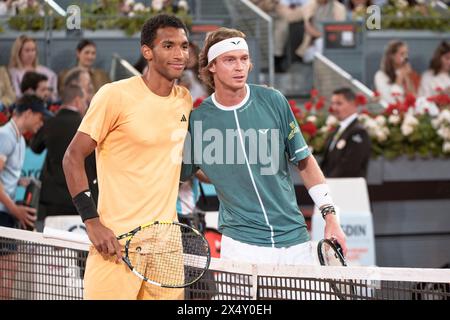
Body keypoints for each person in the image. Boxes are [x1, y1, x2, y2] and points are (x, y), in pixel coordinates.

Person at [181, 27, 347, 268]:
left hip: (294, 240)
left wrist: (330, 217)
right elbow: (189, 171)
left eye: (244, 59)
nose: (239, 67)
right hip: (240, 244)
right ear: (212, 66)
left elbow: (305, 161)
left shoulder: (273, 101)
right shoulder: (197, 121)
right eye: (230, 60)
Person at [62, 14, 192, 300]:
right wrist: (91, 220)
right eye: (168, 45)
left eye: (184, 46)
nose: (179, 54)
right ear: (147, 52)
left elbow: (181, 159)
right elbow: (72, 156)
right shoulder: (114, 95)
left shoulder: (184, 99)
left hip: (167, 249)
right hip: (116, 244)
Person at [0, 94, 51, 298]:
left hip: (6, 214)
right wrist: (16, 210)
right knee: (7, 270)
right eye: (40, 116)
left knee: (9, 269)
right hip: (3, 214)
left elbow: (5, 175)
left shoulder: (19, 138)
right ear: (29, 113)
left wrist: (22, 182)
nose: (42, 122)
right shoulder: (6, 135)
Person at [29, 84, 97, 232]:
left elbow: (35, 147)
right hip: (82, 199)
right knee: (80, 250)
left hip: (51, 201)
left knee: (51, 252)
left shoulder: (49, 123)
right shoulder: (87, 126)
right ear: (78, 101)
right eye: (85, 101)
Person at [320, 87, 371, 178]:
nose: (334, 108)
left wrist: (328, 183)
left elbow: (350, 166)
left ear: (352, 104)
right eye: (333, 103)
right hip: (332, 187)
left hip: (348, 188)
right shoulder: (337, 129)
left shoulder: (358, 132)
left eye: (339, 103)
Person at [8, 35, 58, 101]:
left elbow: (54, 95)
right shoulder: (12, 73)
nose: (31, 54)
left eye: (33, 50)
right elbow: (15, 96)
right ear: (18, 52)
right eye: (27, 50)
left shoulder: (48, 72)